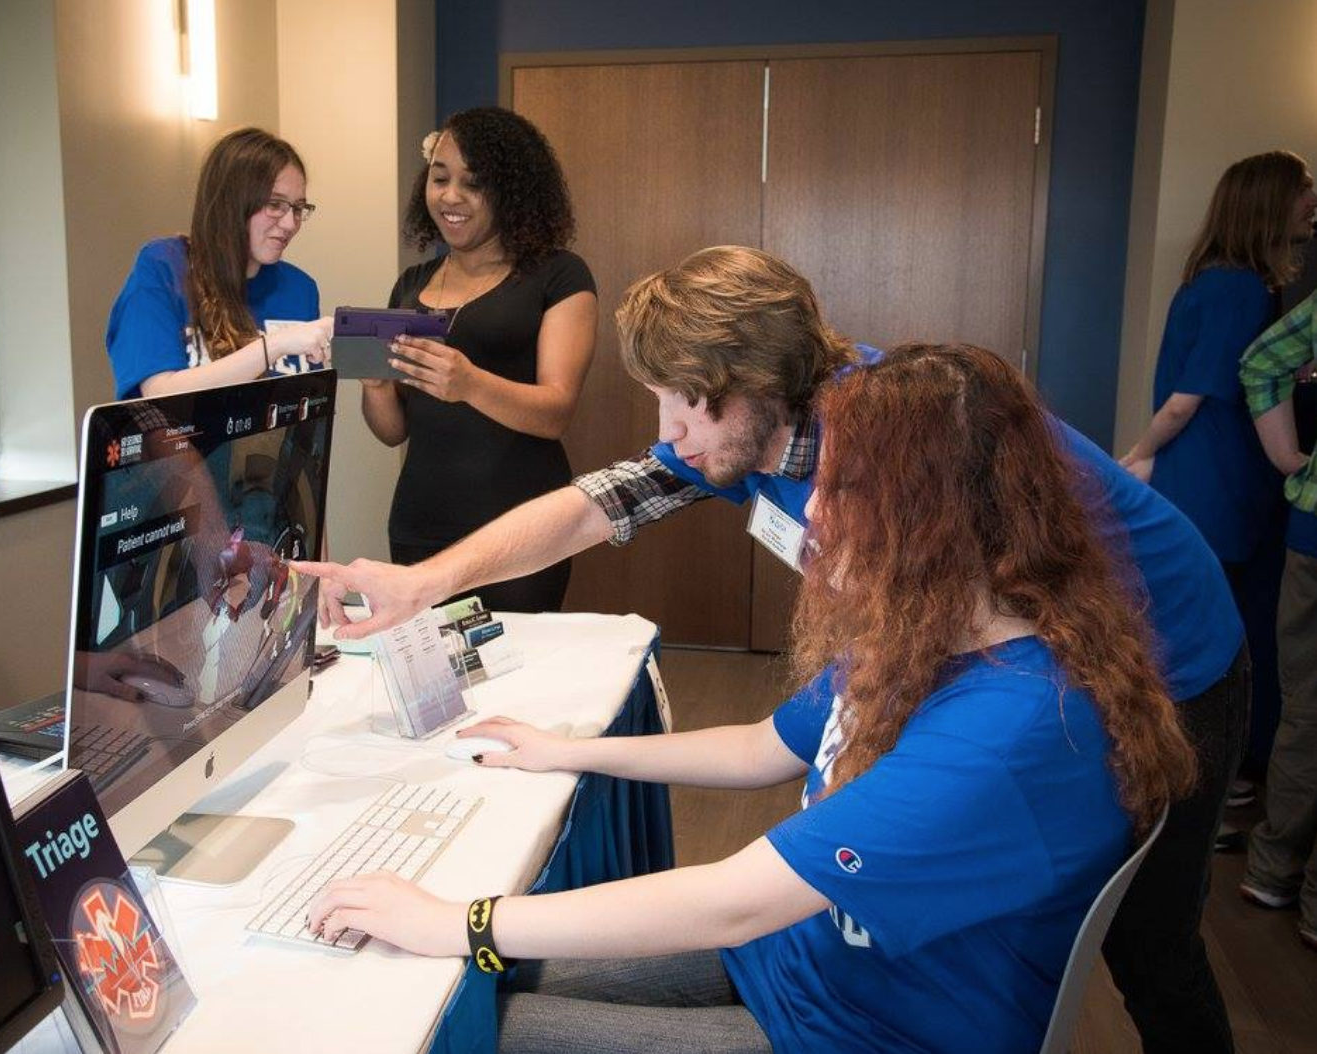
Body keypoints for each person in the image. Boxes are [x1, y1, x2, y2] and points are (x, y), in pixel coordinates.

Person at [297, 246, 1248, 1053]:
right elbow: (601, 505)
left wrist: (459, 921)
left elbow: (738, 897)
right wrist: (426, 584)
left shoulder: (927, 452)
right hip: (874, 878)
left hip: (1170, 664)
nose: (666, 433)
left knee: (1150, 948)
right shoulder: (893, 576)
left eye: (681, 404)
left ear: (748, 393)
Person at [1122, 151, 1317, 808]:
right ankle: (1221, 782)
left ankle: (1201, 778)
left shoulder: (1209, 278)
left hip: (1204, 480)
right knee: (1230, 636)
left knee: (1195, 626)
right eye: (1305, 189)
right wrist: (1140, 454)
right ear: (1270, 204)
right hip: (1221, 485)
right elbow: (1188, 399)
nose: (1312, 199)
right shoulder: (1241, 288)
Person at [359, 107, 597, 614]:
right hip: (419, 525)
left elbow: (556, 412)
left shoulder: (559, 276)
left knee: (517, 684)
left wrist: (468, 383)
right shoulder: (410, 285)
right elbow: (392, 432)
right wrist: (377, 389)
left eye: (473, 183)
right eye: (439, 178)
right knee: (429, 684)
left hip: (523, 527)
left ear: (510, 191)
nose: (450, 197)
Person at [105, 127, 332, 400]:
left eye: (298, 208)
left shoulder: (299, 288)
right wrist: (275, 346)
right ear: (232, 202)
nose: (290, 224)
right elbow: (159, 395)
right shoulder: (164, 267)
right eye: (275, 205)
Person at [1239, 288, 1317, 953]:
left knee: (1305, 713)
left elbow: (1263, 359)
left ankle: (1272, 870)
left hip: (1310, 530)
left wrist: (1294, 460)